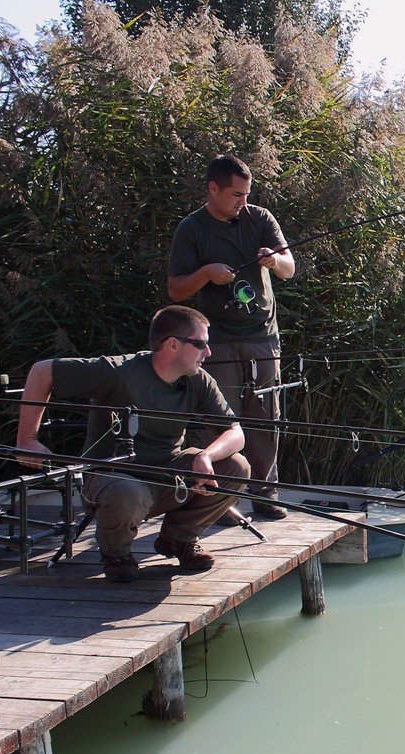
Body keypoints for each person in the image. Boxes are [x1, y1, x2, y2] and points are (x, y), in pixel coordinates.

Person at [16, 306, 250, 583]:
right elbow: (42, 371)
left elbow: (235, 432)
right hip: (111, 479)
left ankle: (178, 540)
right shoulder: (118, 371)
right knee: (130, 492)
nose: (208, 352)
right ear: (173, 344)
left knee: (236, 466)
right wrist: (27, 441)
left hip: (165, 476)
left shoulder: (199, 380)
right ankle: (116, 555)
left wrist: (207, 457)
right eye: (200, 344)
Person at [166, 154, 294, 520]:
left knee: (266, 415)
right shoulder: (192, 229)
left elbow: (289, 267)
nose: (244, 201)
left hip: (262, 336)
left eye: (247, 194)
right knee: (222, 418)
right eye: (236, 194)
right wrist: (206, 273)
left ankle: (266, 494)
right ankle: (221, 500)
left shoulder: (261, 218)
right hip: (215, 340)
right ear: (213, 189)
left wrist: (273, 260)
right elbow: (176, 290)